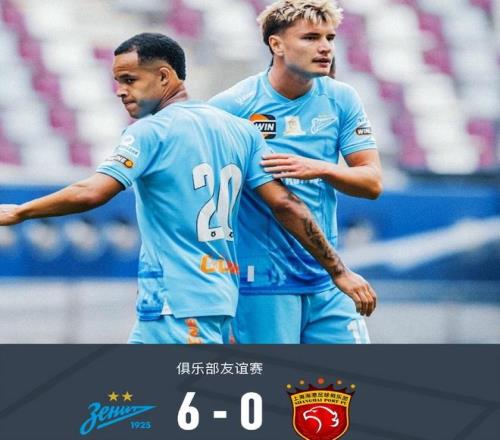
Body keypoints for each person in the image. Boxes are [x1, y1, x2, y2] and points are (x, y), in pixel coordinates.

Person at [0, 32, 375, 344]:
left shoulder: (149, 132)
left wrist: (20, 211)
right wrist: (338, 270)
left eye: (129, 80)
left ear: (164, 76)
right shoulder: (241, 130)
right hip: (210, 298)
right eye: (118, 82)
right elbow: (287, 205)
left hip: (178, 304)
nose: (120, 91)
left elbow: (91, 192)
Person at [209, 0, 382, 343]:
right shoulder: (231, 107)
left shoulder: (341, 98)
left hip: (327, 275)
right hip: (263, 282)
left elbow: (372, 182)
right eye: (311, 37)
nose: (325, 47)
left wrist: (319, 168)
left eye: (330, 38)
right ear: (276, 44)